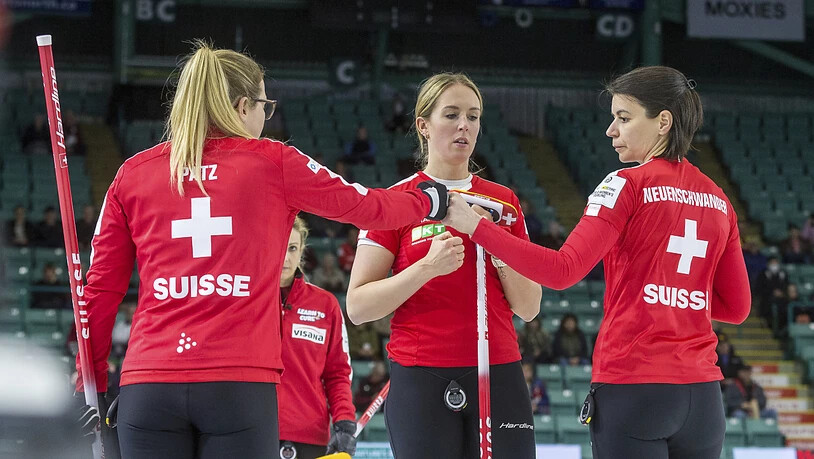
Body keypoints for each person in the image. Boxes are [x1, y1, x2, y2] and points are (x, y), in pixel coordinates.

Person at [74, 41, 448, 459]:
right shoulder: (273, 162)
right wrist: (430, 199)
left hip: (148, 385)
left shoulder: (133, 173)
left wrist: (87, 385)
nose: (265, 118)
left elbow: (100, 292)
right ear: (240, 106)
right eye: (264, 107)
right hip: (237, 388)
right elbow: (368, 207)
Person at [442, 66, 751, 459]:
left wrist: (477, 228)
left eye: (623, 118)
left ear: (663, 123)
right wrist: (679, 297)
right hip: (704, 400)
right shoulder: (720, 201)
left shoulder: (625, 185)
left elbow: (561, 271)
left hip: (635, 387)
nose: (611, 130)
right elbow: (738, 309)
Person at [346, 72, 542, 458]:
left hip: (497, 371)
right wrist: (425, 269)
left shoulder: (503, 203)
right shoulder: (396, 201)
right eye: (451, 114)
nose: (464, 125)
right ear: (423, 125)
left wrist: (497, 244)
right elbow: (358, 307)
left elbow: (529, 307)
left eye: (473, 116)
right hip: (422, 375)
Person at [277, 217, 356, 459]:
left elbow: (338, 373)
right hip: (252, 432)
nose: (286, 258)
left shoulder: (325, 304)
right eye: (280, 246)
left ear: (302, 251)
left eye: (292, 248)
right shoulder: (244, 300)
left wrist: (344, 422)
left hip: (311, 436)